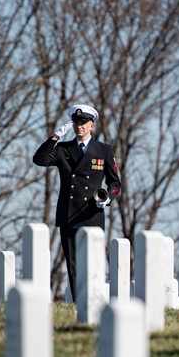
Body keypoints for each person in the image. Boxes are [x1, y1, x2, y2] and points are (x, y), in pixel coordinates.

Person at [32, 104, 121, 299]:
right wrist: (55, 137)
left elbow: (115, 183)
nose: (79, 126)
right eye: (76, 122)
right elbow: (39, 159)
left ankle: (93, 301)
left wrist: (107, 199)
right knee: (72, 265)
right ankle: (78, 303)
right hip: (69, 214)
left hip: (91, 214)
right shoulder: (63, 149)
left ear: (92, 125)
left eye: (83, 122)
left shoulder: (103, 150)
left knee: (92, 263)